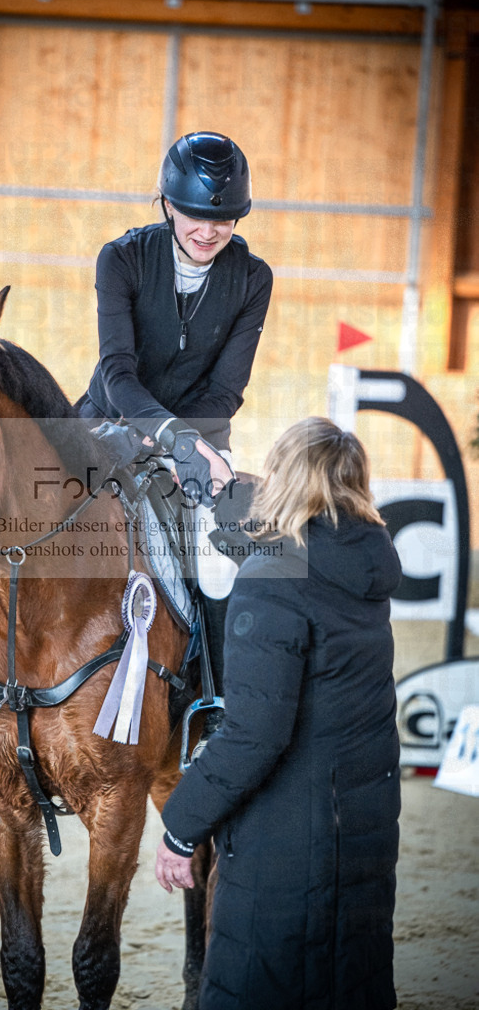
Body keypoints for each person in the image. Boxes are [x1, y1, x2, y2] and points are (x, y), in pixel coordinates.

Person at [155, 416, 402, 1010]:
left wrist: (180, 827)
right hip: (360, 830)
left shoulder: (272, 582)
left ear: (284, 479)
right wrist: (221, 500)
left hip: (287, 844)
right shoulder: (362, 569)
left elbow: (255, 734)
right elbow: (285, 555)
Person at [76, 131, 273, 733]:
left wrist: (187, 445)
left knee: (218, 561)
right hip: (108, 426)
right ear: (166, 204)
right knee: (32, 524)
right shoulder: (122, 259)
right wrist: (168, 437)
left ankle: (212, 708)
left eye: (224, 218)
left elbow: (226, 389)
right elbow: (117, 372)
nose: (207, 230)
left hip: (202, 437)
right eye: (193, 213)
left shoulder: (253, 278)